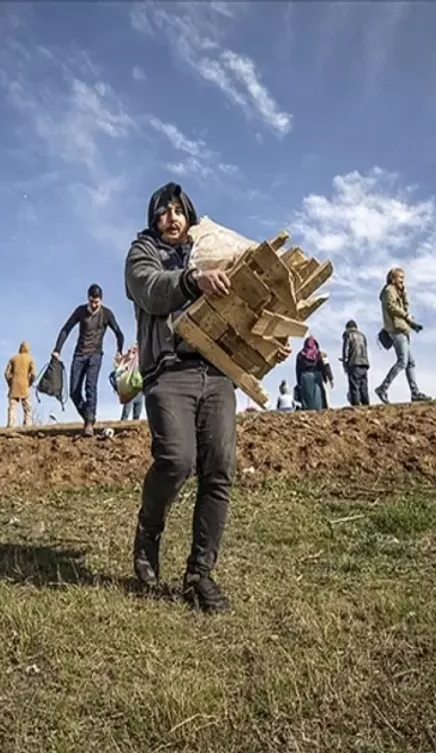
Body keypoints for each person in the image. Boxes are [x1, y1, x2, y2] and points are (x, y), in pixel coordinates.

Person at [125, 181, 290, 613]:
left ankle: (200, 573)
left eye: (178, 211)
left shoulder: (213, 250)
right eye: (163, 212)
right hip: (170, 371)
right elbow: (150, 288)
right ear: (153, 219)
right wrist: (193, 279)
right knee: (177, 460)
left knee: (219, 468)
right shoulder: (143, 253)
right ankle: (148, 530)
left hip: (217, 373)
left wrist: (269, 337)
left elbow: (243, 310)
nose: (172, 218)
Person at [53, 283, 125, 436]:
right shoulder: (80, 311)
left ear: (101, 300)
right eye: (91, 301)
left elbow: (119, 333)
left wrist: (119, 351)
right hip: (79, 354)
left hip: (95, 354)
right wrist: (57, 349)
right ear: (88, 299)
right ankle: (89, 416)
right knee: (73, 391)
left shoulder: (106, 314)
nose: (93, 305)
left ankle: (89, 424)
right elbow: (66, 328)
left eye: (96, 302)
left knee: (90, 387)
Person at [375, 268, 430, 404]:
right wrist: (406, 317)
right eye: (400, 277)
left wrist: (404, 294)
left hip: (402, 330)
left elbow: (405, 310)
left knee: (410, 363)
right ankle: (383, 388)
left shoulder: (397, 292)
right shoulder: (389, 291)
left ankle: (415, 393)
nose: (402, 280)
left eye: (403, 278)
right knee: (403, 362)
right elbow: (392, 308)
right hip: (396, 331)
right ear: (392, 279)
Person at [295, 336, 332, 411]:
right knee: (319, 397)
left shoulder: (300, 355)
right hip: (316, 377)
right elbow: (325, 366)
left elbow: (298, 370)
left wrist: (299, 382)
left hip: (304, 378)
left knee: (307, 398)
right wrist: (329, 378)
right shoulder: (320, 354)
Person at [5, 342, 37, 427]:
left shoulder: (13, 359)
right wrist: (29, 383)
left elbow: (6, 373)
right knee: (27, 408)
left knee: (12, 408)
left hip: (14, 386)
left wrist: (10, 383)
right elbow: (33, 374)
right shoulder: (30, 359)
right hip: (24, 386)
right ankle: (28, 425)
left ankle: (11, 425)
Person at [112, 344, 145, 421]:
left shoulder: (141, 359)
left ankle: (135, 428)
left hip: (138, 388)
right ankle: (123, 424)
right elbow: (120, 360)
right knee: (127, 411)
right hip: (130, 388)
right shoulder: (129, 360)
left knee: (138, 410)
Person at [341, 320, 370, 406]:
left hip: (354, 363)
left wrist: (345, 363)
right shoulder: (362, 336)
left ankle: (356, 406)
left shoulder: (348, 334)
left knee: (354, 387)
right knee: (364, 387)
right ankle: (366, 405)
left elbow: (346, 349)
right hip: (364, 364)